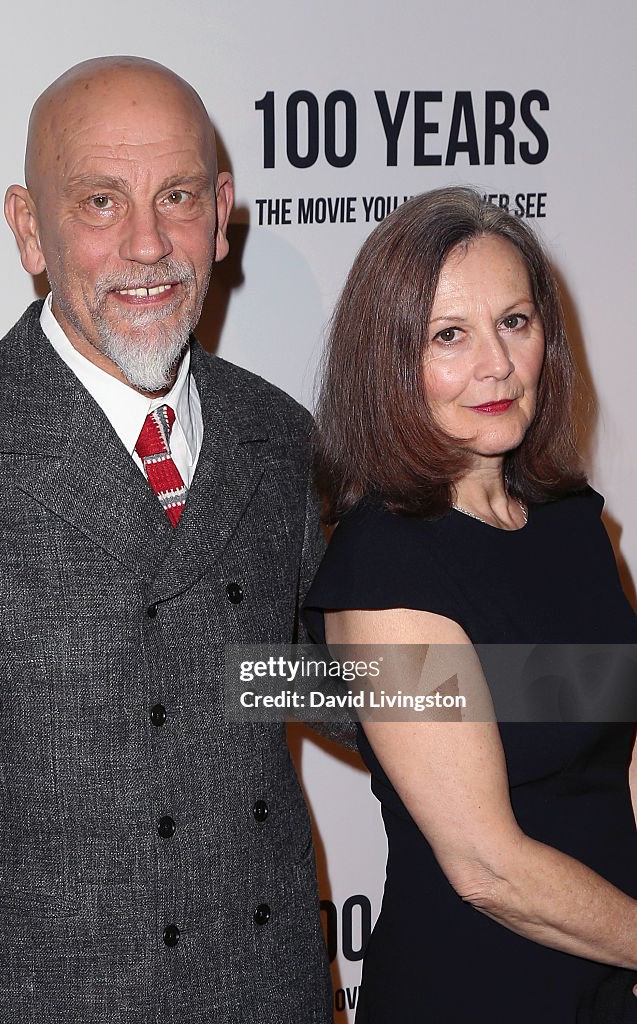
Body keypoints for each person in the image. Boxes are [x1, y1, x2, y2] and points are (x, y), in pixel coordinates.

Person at [0, 56, 339, 1023]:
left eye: (175, 197)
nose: (146, 245)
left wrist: (558, 682)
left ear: (220, 214)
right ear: (28, 229)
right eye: (98, 202)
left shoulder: (275, 434)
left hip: (270, 994)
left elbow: (297, 678)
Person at [304, 186, 637, 1023]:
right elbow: (486, 868)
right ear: (390, 364)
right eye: (448, 336)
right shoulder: (383, 571)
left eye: (514, 323)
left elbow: (626, 751)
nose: (495, 365)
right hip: (480, 991)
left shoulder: (572, 524)